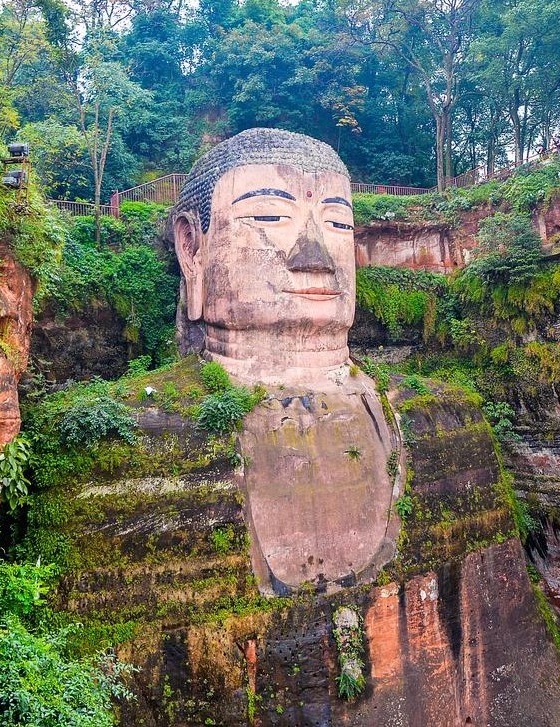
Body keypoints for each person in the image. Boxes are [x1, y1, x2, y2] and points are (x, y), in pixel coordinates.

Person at [170, 128, 399, 595]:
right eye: (269, 215)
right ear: (192, 246)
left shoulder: (436, 418)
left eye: (338, 224)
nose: (313, 255)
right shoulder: (145, 438)